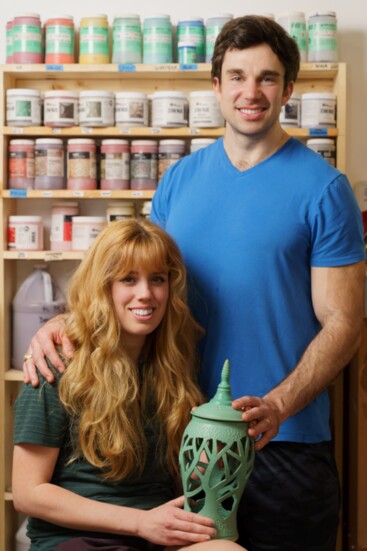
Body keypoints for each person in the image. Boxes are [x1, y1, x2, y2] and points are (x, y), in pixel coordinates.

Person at [22, 16, 365, 551]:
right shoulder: (179, 179)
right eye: (237, 76)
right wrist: (71, 322)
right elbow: (137, 277)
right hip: (183, 445)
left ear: (289, 89)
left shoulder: (324, 188)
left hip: (283, 445)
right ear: (217, 86)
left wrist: (277, 404)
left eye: (268, 78)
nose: (251, 92)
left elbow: (344, 321)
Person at [13, 219, 247, 551]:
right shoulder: (56, 364)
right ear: (103, 286)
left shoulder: (173, 370)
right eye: (128, 279)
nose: (146, 294)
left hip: (157, 534)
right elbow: (27, 493)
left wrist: (224, 449)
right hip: (77, 540)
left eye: (157, 279)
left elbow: (183, 482)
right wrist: (140, 523)